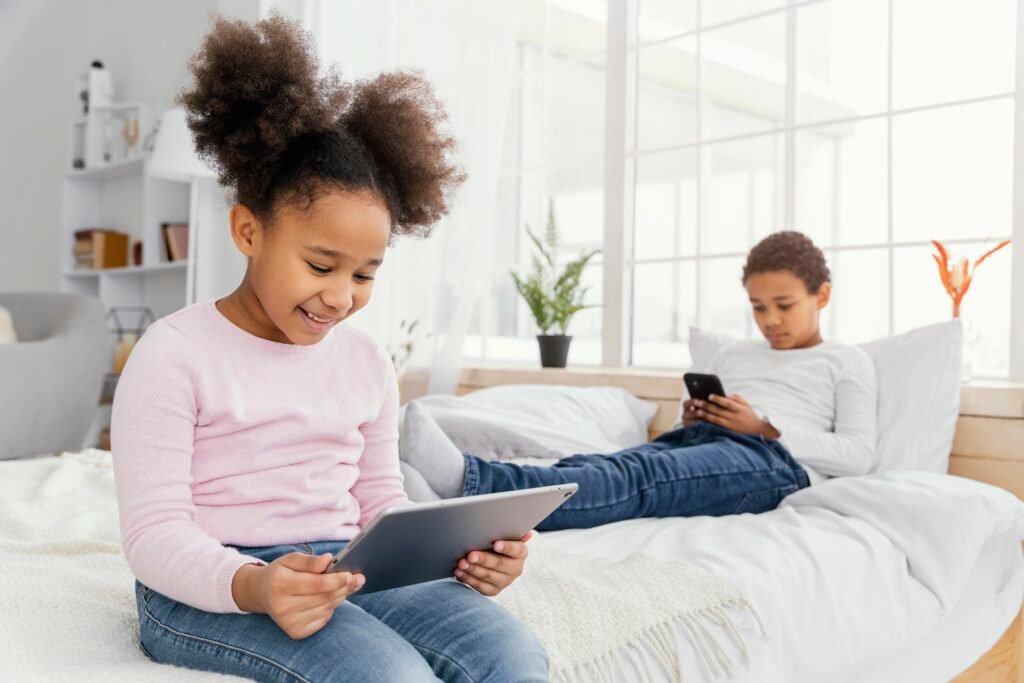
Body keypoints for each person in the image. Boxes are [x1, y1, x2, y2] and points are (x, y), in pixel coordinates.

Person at [110, 13, 547, 683]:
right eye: (320, 266)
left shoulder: (367, 363)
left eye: (365, 274)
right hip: (206, 587)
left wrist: (458, 554)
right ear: (249, 232)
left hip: (344, 564)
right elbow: (153, 533)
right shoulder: (173, 354)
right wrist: (255, 584)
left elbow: (379, 505)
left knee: (514, 657)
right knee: (393, 677)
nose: (342, 297)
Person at [402, 230, 878, 529]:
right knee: (599, 462)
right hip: (709, 442)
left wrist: (764, 427)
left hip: (773, 460)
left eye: (784, 305)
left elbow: (859, 455)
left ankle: (469, 482)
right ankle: (455, 509)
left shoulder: (846, 361)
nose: (770, 319)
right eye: (758, 307)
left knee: (638, 478)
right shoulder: (736, 353)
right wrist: (691, 420)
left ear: (823, 295)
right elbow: (679, 433)